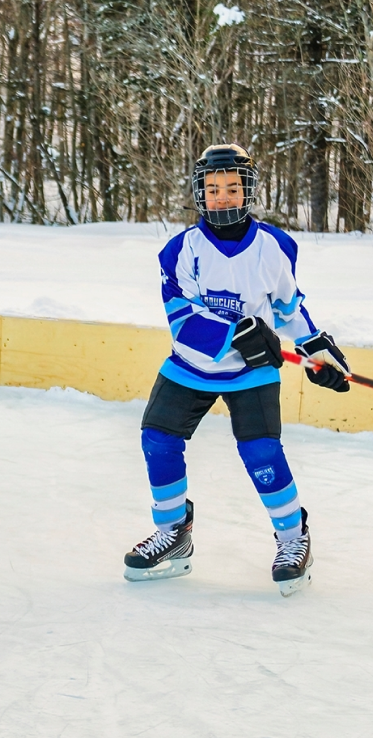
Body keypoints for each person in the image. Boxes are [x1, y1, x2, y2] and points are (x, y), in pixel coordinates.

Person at [123, 142, 353, 592]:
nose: (222, 197)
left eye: (232, 188)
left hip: (254, 370)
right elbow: (181, 321)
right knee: (158, 439)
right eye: (213, 189)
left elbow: (288, 308)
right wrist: (235, 336)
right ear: (200, 194)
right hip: (191, 366)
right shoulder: (179, 251)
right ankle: (174, 533)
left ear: (247, 191)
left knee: (261, 452)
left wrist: (315, 347)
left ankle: (293, 537)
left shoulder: (274, 247)